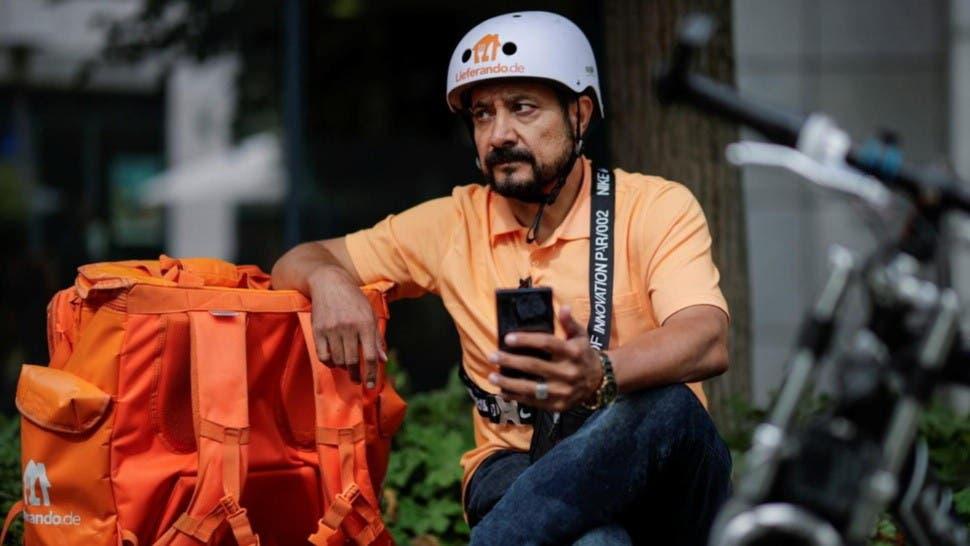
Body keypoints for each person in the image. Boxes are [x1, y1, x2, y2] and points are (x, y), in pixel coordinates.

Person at [272, 11, 732, 546]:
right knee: (595, 542)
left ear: (580, 113)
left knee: (669, 405)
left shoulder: (654, 206)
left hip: (660, 477)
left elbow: (706, 337)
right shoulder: (454, 222)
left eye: (523, 107)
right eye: (483, 114)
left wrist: (600, 373)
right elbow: (299, 259)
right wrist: (330, 281)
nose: (499, 134)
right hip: (513, 464)